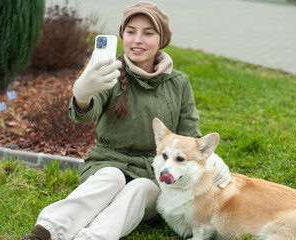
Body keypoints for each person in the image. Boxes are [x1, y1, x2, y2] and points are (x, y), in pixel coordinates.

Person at [22, 1, 231, 240]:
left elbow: (190, 136)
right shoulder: (109, 71)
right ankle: (46, 232)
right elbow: (85, 112)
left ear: (161, 40)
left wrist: (212, 160)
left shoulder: (179, 83)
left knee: (139, 189)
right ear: (122, 35)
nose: (137, 40)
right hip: (106, 165)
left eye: (148, 33)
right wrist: (82, 94)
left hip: (155, 175)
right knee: (112, 178)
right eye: (130, 32)